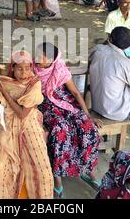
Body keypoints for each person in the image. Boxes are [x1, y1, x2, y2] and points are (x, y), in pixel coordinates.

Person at [34, 43, 101, 199]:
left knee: (87, 129)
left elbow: (76, 94)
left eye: (41, 56)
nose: (37, 58)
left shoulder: (60, 70)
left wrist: (88, 116)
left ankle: (88, 171)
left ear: (51, 59)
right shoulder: (31, 69)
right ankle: (57, 181)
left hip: (66, 104)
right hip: (47, 107)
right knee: (59, 131)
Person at [0, 50, 54, 199]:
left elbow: (22, 114)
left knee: (42, 170)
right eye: (19, 68)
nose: (24, 72)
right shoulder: (4, 82)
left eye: (27, 68)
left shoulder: (34, 83)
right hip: (8, 124)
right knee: (0, 168)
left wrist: (5, 93)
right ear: (12, 67)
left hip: (29, 123)